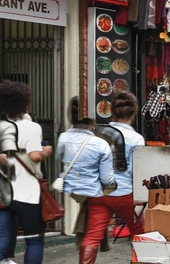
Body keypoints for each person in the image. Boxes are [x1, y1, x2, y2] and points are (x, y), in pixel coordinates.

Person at [0, 80, 52, 264]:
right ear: (26, 104)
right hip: (26, 194)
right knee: (34, 241)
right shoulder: (32, 127)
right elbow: (35, 156)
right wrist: (45, 152)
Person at [57, 97, 114, 264]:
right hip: (95, 192)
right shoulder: (100, 144)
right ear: (93, 119)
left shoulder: (64, 139)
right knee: (92, 234)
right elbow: (107, 178)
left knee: (87, 228)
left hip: (75, 189)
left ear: (71, 118)